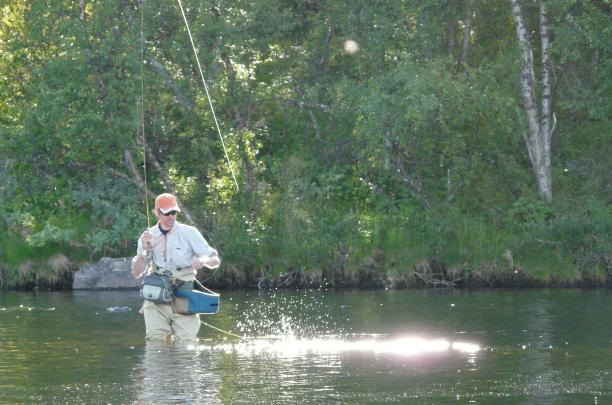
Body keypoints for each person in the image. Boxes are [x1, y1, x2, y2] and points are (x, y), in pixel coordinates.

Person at [132, 193, 220, 341]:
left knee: (186, 347)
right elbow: (136, 273)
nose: (171, 217)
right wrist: (144, 250)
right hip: (156, 299)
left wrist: (204, 259)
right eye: (166, 213)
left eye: (173, 212)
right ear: (157, 213)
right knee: (155, 344)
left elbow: (215, 260)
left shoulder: (189, 232)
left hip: (183, 296)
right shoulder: (148, 236)